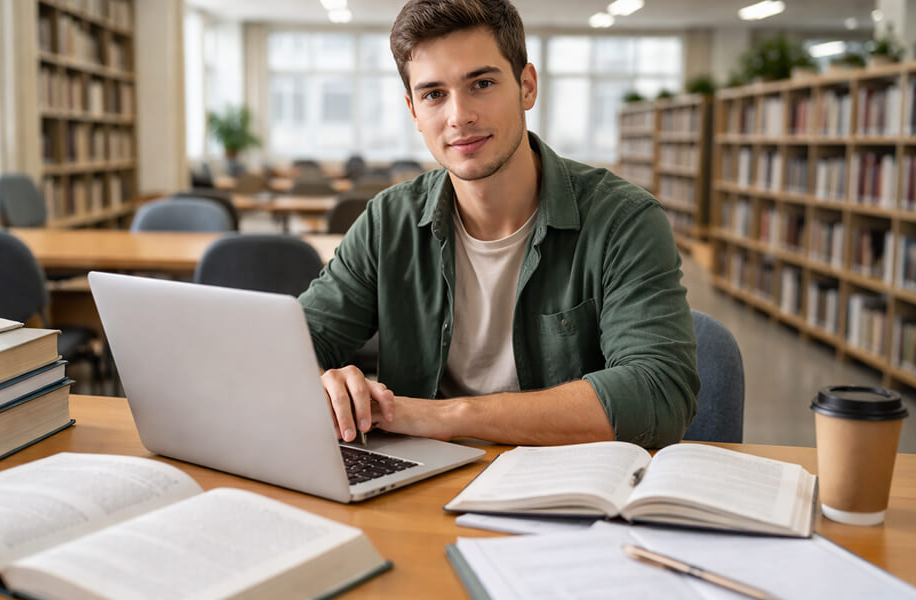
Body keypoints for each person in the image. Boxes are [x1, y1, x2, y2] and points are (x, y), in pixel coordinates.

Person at [298, 0, 698, 449]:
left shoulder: (624, 221)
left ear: (527, 87)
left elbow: (658, 394)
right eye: (434, 94)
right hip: (418, 486)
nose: (459, 116)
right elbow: (293, 345)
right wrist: (322, 385)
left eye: (482, 83)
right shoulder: (387, 222)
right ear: (413, 111)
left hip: (562, 485)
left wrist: (449, 415)